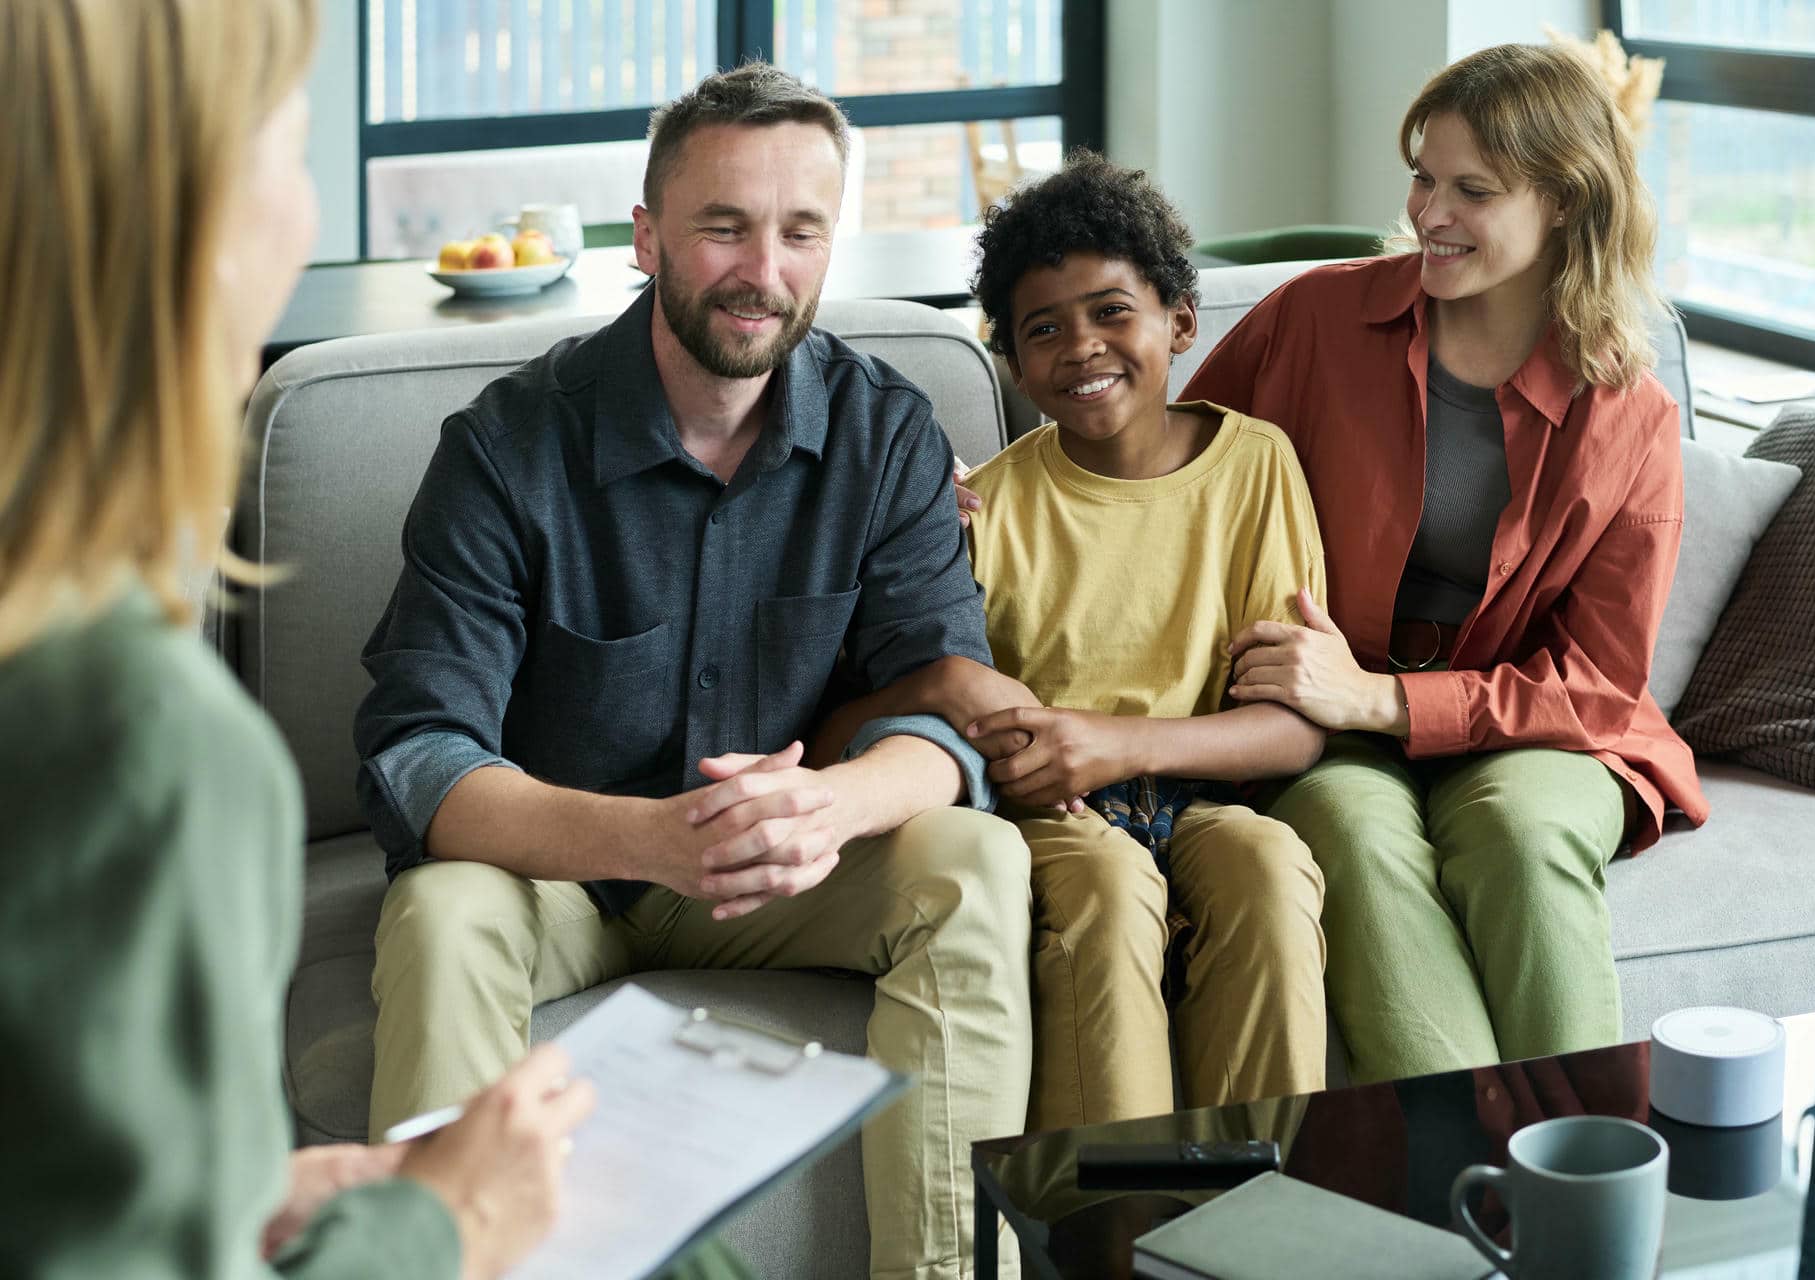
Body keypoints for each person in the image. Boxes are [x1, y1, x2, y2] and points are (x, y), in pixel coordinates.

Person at [0, 2, 687, 1278]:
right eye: (284, 143)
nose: (302, 211)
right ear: (179, 207)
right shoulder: (131, 738)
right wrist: (438, 1224)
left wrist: (226, 1190)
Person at [353, 63, 1032, 1280]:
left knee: (974, 857)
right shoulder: (507, 448)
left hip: (783, 873)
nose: (760, 270)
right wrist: (655, 839)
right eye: (723, 226)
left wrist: (833, 804)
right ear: (648, 237)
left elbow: (947, 701)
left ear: (833, 244)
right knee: (441, 908)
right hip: (561, 872)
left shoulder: (887, 433)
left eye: (798, 231)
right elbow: (418, 755)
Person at [1180, 42, 1709, 1084]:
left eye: (1473, 189)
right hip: (1324, 727)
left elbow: (1597, 685)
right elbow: (1166, 466)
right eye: (1424, 175)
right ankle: (1466, 1198)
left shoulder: (1632, 414)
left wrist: (1382, 703)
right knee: (1350, 830)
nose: (1429, 211)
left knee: (1521, 836)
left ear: (1566, 202)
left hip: (1539, 728)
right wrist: (978, 491)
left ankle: (1584, 1194)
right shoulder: (1315, 319)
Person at [957, 155, 1331, 1130]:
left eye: (1111, 311)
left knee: (1267, 860)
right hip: (1057, 819)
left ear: (1181, 321)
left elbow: (1293, 731)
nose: (1082, 346)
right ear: (1014, 361)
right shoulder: (991, 505)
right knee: (1111, 886)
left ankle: (1264, 1206)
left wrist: (1126, 742)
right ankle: (1111, 1227)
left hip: (1211, 794)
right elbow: (951, 694)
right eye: (1044, 328)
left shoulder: (1256, 465)